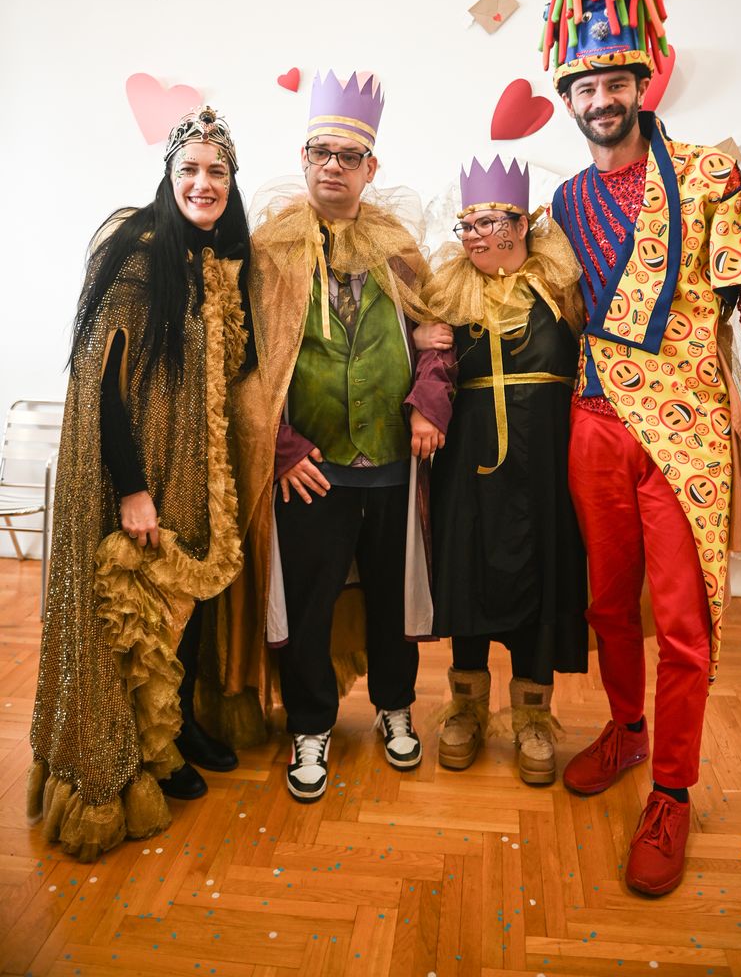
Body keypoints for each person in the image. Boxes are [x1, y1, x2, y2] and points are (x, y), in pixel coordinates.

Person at [539, 0, 741, 895]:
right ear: (568, 99)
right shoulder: (564, 202)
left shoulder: (713, 175)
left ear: (643, 81)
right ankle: (627, 728)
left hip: (687, 433)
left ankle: (674, 793)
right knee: (608, 604)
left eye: (617, 80)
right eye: (586, 85)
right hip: (594, 424)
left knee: (683, 626)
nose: (602, 97)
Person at [28, 106, 253, 861]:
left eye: (217, 171)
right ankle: (138, 753)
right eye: (189, 169)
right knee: (137, 619)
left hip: (193, 465)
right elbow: (102, 384)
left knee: (183, 613)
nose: (203, 183)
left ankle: (179, 728)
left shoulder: (214, 258)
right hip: (141, 467)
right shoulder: (137, 249)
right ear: (168, 175)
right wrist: (130, 487)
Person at [229, 70, 454, 802]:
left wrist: (428, 404)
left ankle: (395, 705)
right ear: (303, 159)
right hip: (311, 469)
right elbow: (246, 360)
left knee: (392, 598)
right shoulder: (270, 253)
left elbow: (436, 337)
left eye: (348, 156)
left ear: (370, 167)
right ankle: (310, 723)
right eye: (321, 152)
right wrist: (281, 445)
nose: (333, 165)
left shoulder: (398, 248)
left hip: (391, 463)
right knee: (310, 602)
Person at [421, 156, 588, 783]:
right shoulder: (449, 292)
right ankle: (466, 708)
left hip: (545, 461)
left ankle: (533, 717)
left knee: (541, 573)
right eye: (466, 224)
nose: (472, 235)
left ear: (521, 224)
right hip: (468, 461)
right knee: (468, 570)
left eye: (486, 222)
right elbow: (429, 368)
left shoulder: (562, 288)